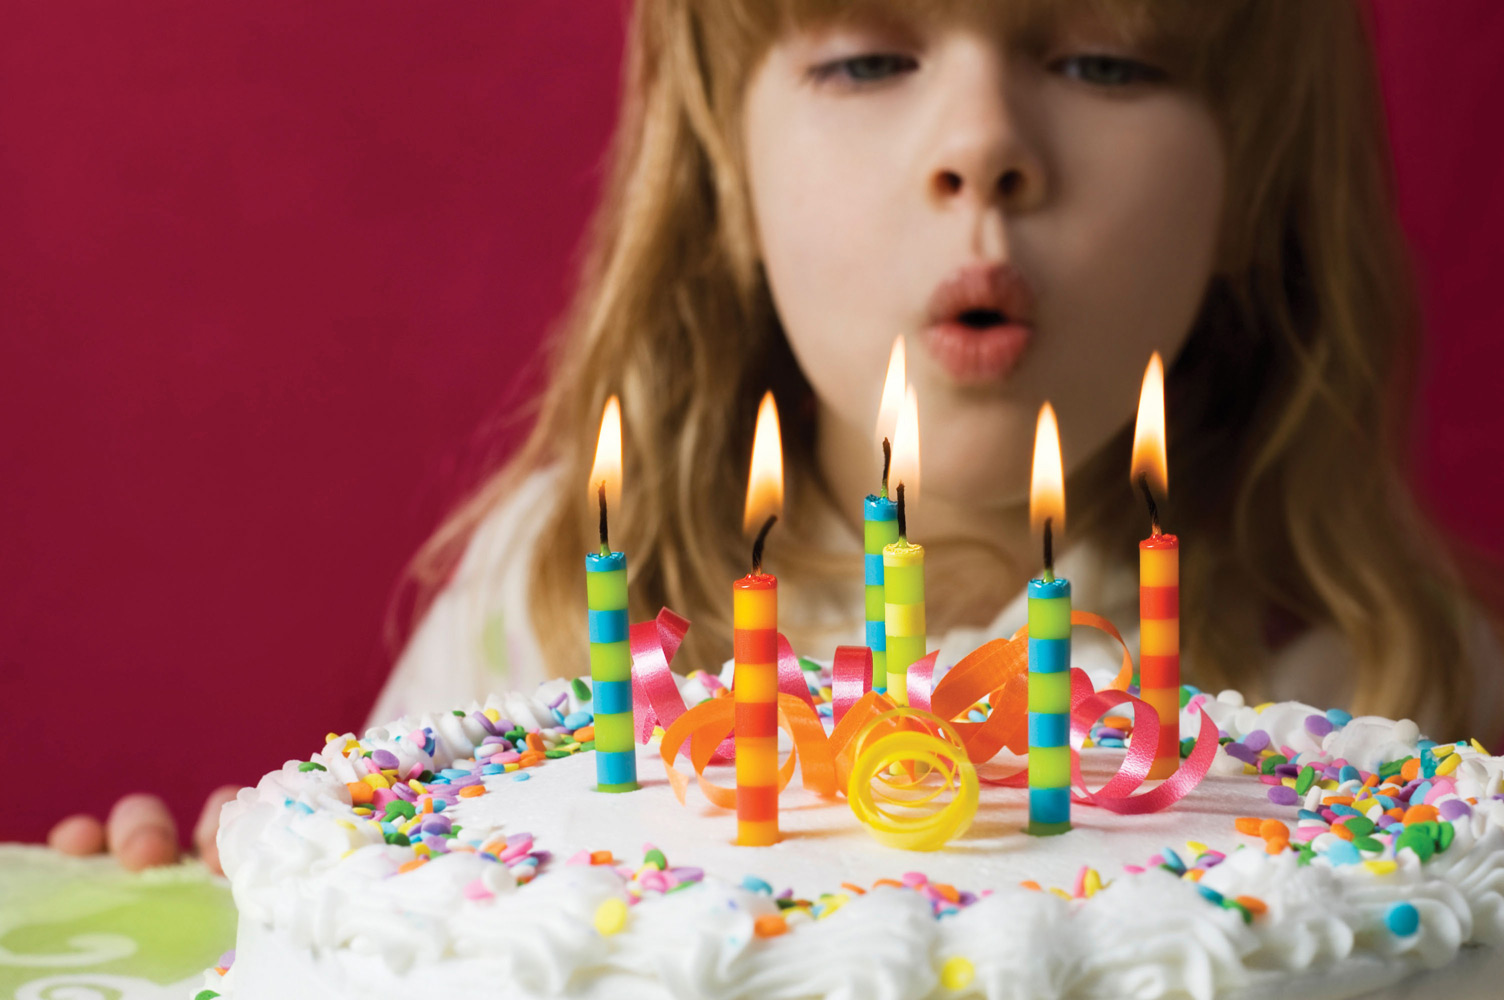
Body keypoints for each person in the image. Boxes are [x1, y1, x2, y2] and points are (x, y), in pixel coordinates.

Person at [52, 0, 1502, 872]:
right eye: (869, 59)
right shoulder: (567, 602)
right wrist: (205, 913)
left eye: (1107, 59)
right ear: (726, 173)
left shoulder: (1386, 694)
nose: (979, 145)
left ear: (1256, 177)